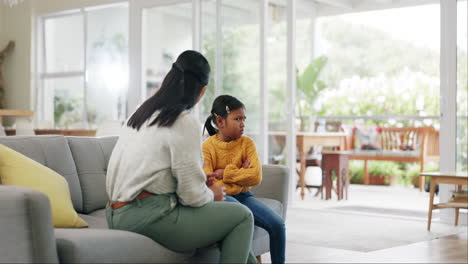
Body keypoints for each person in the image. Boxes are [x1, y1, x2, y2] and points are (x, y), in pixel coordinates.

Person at [106, 50, 257, 264]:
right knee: (242, 216)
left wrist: (199, 181)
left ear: (170, 77)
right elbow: (193, 197)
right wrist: (211, 193)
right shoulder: (182, 121)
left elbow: (154, 174)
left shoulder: (141, 113)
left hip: (116, 213)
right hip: (148, 216)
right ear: (202, 91)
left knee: (230, 225)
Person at [203, 95, 286, 264]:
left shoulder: (247, 143)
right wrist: (240, 172)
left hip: (245, 195)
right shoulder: (207, 147)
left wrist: (224, 173)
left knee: (277, 224)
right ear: (220, 122)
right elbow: (209, 182)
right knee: (242, 215)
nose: (243, 124)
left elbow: (256, 176)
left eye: (244, 119)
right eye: (237, 119)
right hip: (223, 197)